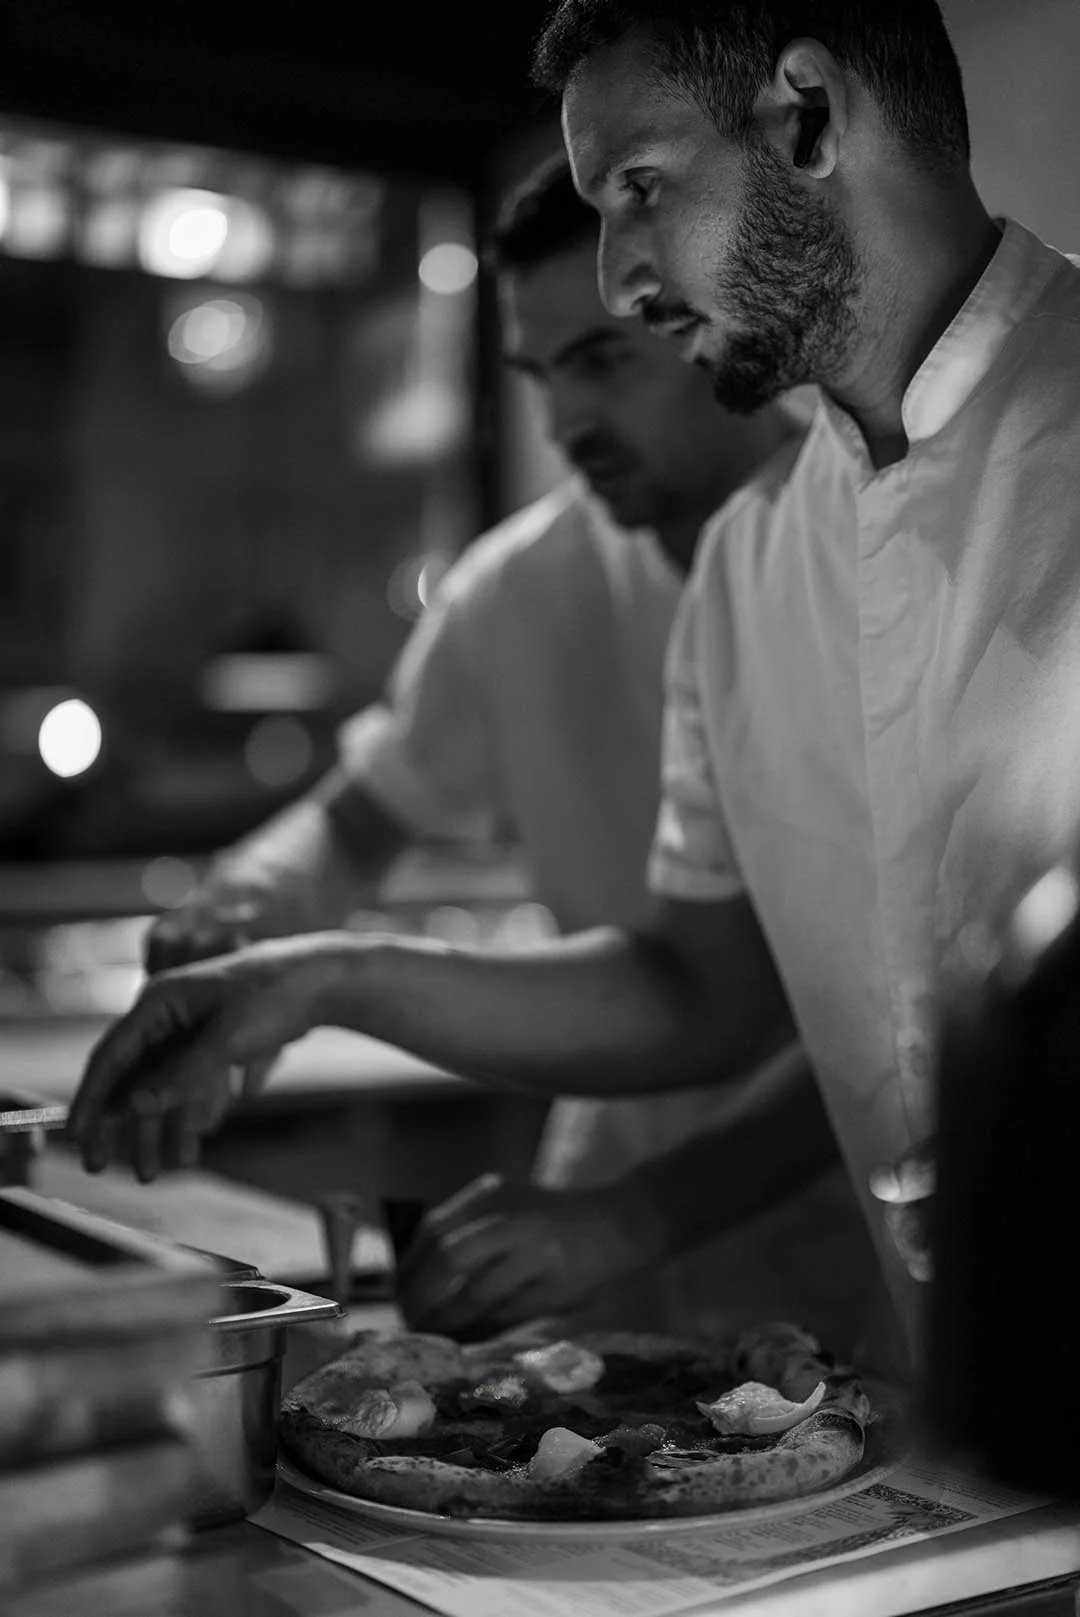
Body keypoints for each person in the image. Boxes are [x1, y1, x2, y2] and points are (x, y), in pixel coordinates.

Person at [73, 0, 1076, 1363]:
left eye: (640, 191)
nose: (617, 278)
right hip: (986, 1396)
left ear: (808, 117)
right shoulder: (750, 569)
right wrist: (317, 975)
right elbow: (697, 988)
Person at [104, 156, 876, 1347]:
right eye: (537, 375)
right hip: (595, 1191)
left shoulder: (859, 552)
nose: (563, 423)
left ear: (711, 325)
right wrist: (255, 906)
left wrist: (639, 1214)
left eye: (601, 361)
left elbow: (903, 1021)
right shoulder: (519, 588)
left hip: (848, 1208)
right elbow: (360, 819)